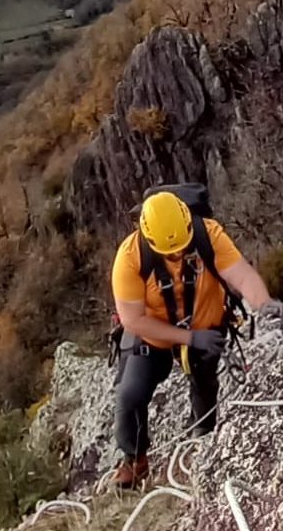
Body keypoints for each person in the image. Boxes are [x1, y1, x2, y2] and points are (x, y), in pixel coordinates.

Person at [110, 190, 272, 488]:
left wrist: (266, 307)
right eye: (169, 253)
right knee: (129, 394)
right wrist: (188, 337)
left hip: (206, 325)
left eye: (182, 249)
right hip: (153, 333)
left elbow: (242, 276)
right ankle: (135, 459)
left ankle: (203, 438)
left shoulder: (208, 235)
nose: (177, 256)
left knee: (205, 382)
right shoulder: (130, 258)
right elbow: (133, 320)